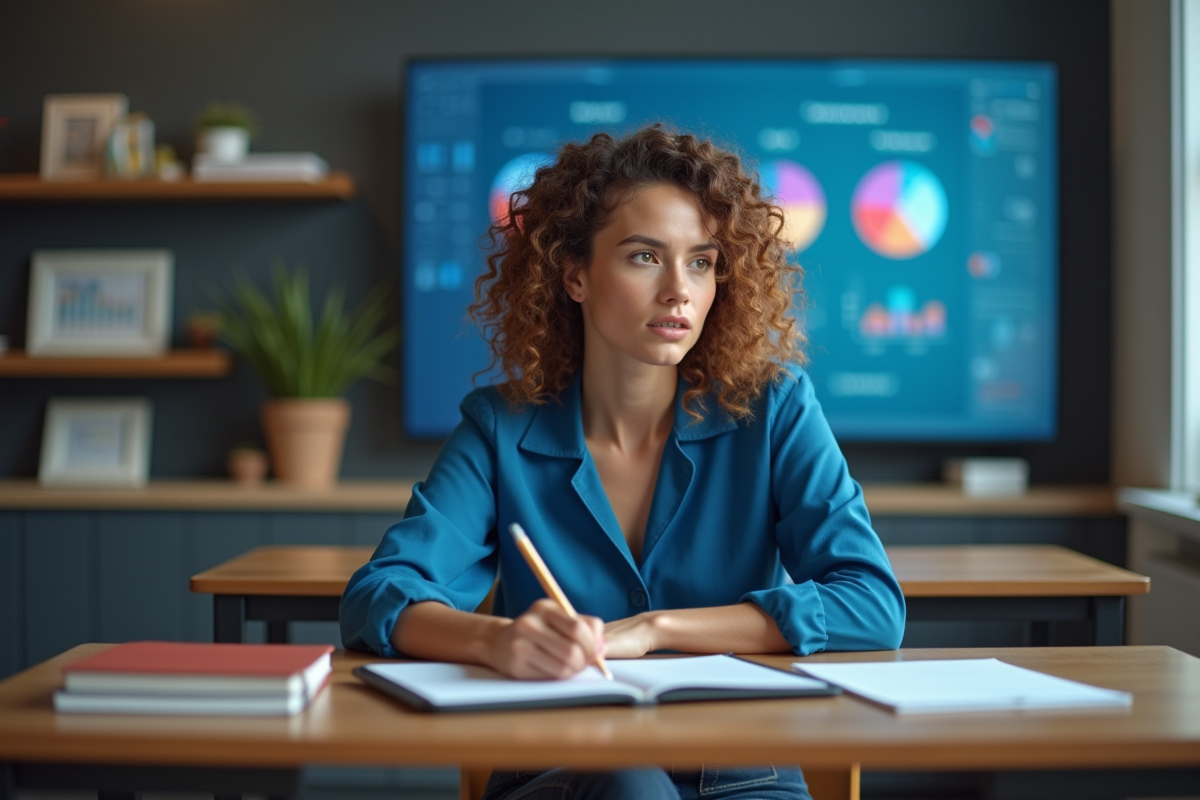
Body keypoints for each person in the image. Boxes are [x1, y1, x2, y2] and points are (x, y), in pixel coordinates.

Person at [340, 125, 905, 800]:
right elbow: (379, 596)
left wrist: (655, 630)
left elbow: (871, 603)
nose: (680, 292)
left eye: (701, 261)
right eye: (645, 257)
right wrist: (495, 642)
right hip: (561, 771)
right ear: (574, 275)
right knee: (630, 785)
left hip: (745, 774)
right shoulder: (500, 426)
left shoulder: (774, 409)